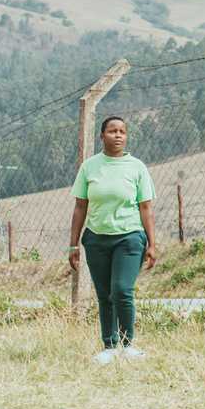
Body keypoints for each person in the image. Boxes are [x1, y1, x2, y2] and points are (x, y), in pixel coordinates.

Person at [68, 116, 158, 365]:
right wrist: (74, 244)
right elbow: (79, 207)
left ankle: (128, 345)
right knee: (105, 293)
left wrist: (152, 243)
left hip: (130, 237)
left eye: (122, 131)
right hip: (96, 239)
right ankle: (109, 346)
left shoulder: (137, 167)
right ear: (102, 136)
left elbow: (146, 208)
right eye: (112, 131)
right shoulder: (90, 167)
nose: (118, 135)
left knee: (122, 289)